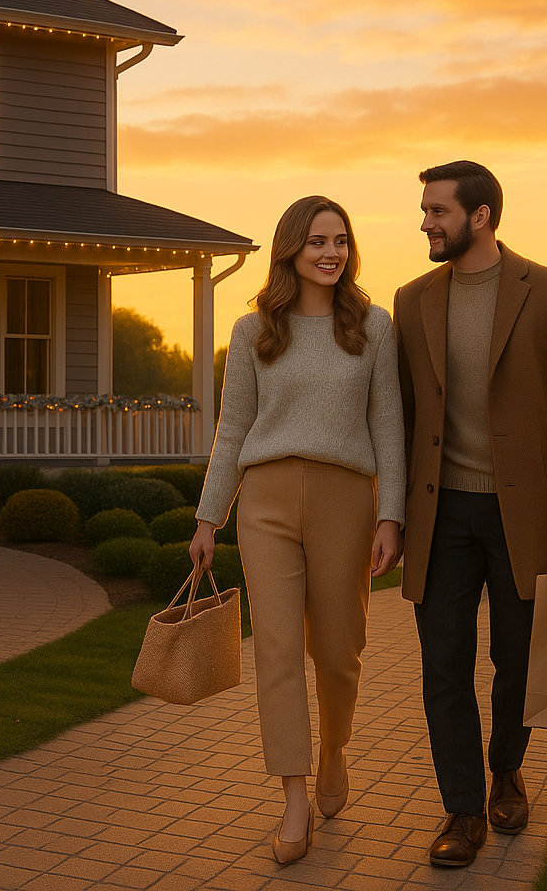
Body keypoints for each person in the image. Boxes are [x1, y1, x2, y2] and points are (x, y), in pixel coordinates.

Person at [393, 160, 547, 868]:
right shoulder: (411, 299)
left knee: (517, 659)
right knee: (444, 666)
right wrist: (390, 513)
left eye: (438, 211)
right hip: (440, 513)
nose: (426, 223)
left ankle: (507, 771)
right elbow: (400, 417)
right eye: (426, 210)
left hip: (526, 513)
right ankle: (462, 810)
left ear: (480, 216)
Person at [189, 195, 405, 865]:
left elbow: (389, 427)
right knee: (277, 650)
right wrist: (209, 516)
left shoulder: (373, 326)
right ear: (291, 249)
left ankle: (334, 749)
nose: (331, 253)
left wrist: (391, 514)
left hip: (346, 500)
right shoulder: (254, 331)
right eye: (317, 241)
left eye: (340, 241)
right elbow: (233, 429)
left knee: (339, 652)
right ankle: (292, 798)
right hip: (267, 502)